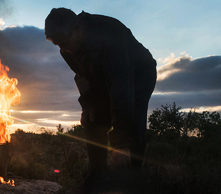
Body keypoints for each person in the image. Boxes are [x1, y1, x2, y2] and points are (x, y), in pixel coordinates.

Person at [45, 8, 157, 184]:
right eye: (58, 45)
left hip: (137, 76)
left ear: (77, 28)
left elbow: (122, 88)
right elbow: (82, 76)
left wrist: (121, 143)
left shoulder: (111, 35)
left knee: (131, 125)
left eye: (65, 42)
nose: (64, 49)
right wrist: (88, 104)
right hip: (103, 77)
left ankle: (132, 184)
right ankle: (98, 179)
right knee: (92, 118)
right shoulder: (67, 49)